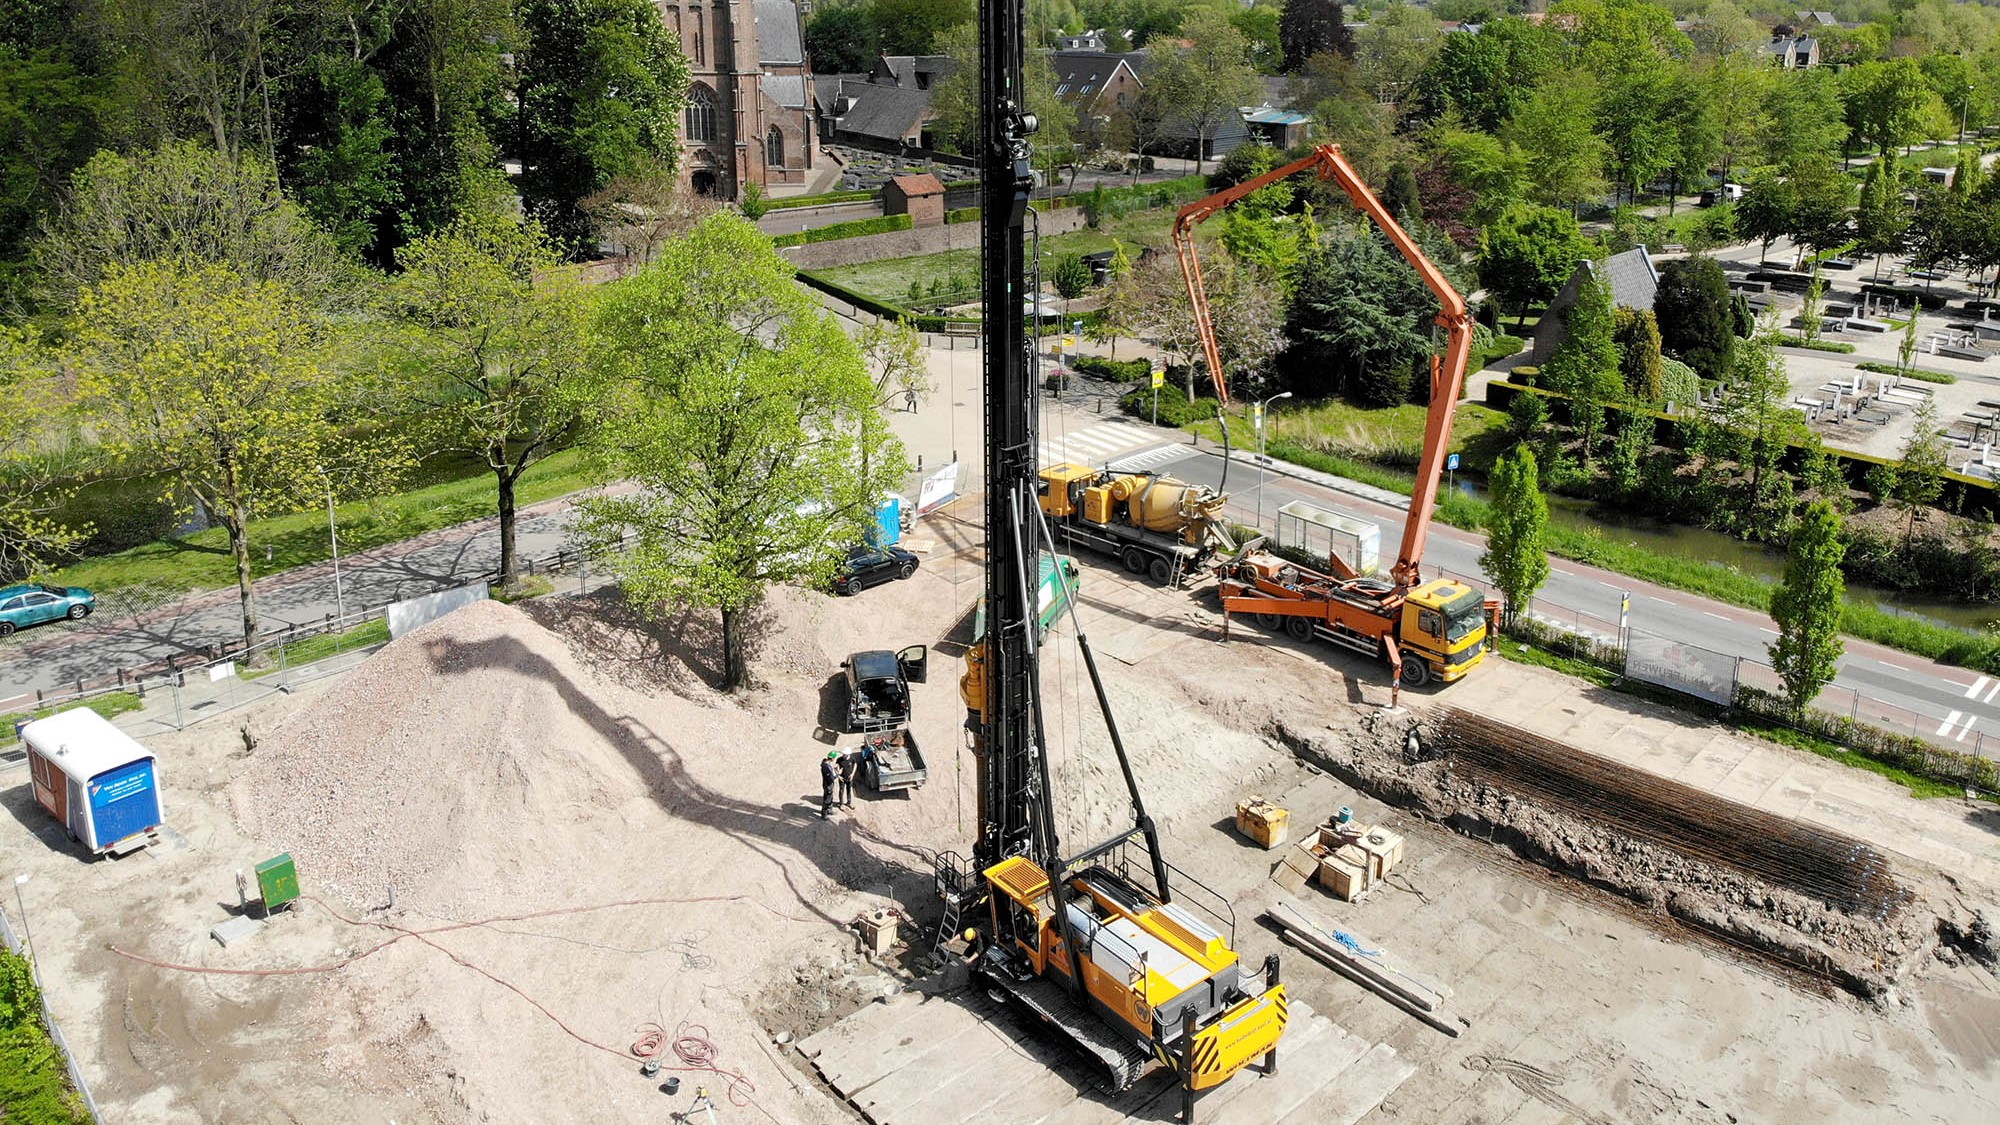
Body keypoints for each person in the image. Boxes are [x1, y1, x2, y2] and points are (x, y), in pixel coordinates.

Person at [820, 750, 840, 820]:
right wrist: (838, 774)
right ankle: (824, 814)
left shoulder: (825, 763)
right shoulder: (826, 767)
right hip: (828, 785)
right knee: (827, 800)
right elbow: (831, 779)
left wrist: (833, 767)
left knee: (830, 798)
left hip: (826, 784)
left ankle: (830, 810)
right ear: (832, 758)